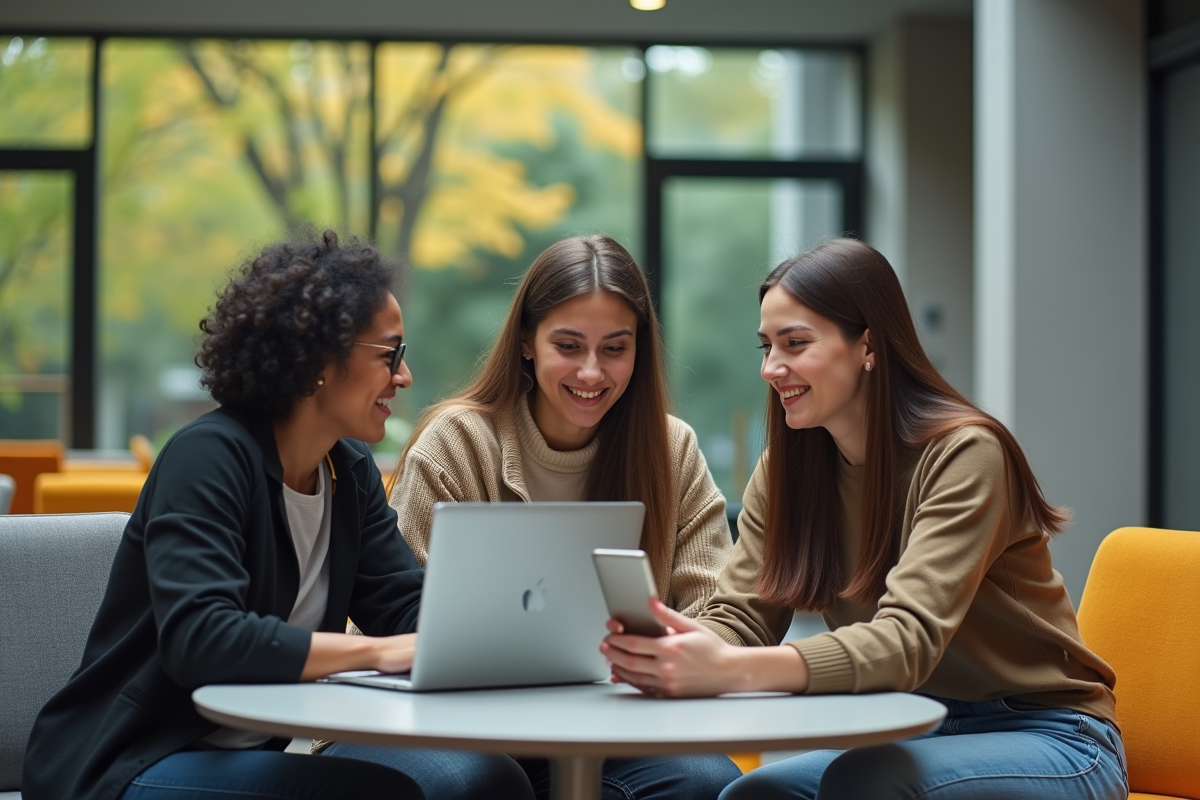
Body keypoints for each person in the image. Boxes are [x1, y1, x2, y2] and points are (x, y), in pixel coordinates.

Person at [599, 238, 1128, 800]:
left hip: (1050, 734)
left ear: (867, 345)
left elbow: (906, 643)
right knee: (754, 794)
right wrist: (677, 647)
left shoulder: (966, 453)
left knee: (869, 782)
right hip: (915, 729)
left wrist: (731, 670)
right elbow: (744, 620)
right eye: (766, 346)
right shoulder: (790, 467)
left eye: (796, 343)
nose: (771, 368)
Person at [318, 234, 742, 800]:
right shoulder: (458, 442)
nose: (591, 373)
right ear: (526, 342)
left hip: (608, 729)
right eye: (568, 345)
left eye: (615, 348)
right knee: (477, 780)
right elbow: (393, 616)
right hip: (452, 729)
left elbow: (716, 616)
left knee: (709, 781)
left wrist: (668, 658)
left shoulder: (672, 450)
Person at [23, 231, 430, 800]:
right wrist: (378, 652)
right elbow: (203, 638)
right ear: (319, 358)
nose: (403, 376)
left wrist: (508, 625)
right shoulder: (209, 456)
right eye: (391, 354)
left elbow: (402, 605)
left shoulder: (348, 469)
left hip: (237, 762)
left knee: (493, 779)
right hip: (128, 761)